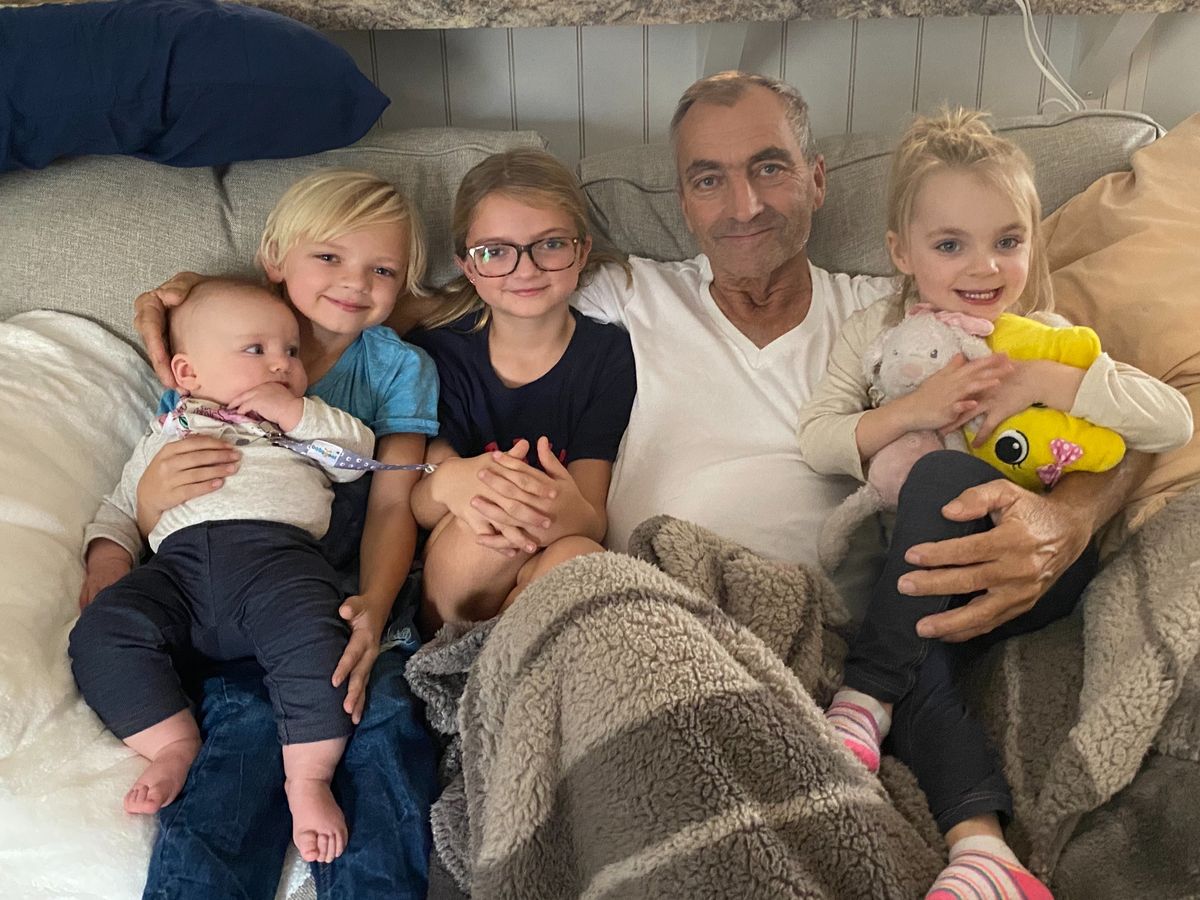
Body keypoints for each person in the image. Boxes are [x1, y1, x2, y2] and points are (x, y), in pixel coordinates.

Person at [134, 72, 1158, 892]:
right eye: (709, 178)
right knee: (583, 593)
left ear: (817, 178)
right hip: (644, 609)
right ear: (681, 199)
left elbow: (1133, 407)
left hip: (828, 641)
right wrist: (188, 318)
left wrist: (1069, 520)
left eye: (769, 167)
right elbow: (387, 303)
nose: (742, 202)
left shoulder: (894, 315)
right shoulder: (622, 293)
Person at [795, 109, 1193, 898]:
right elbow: (818, 436)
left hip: (1034, 569)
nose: (984, 266)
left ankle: (864, 690)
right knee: (926, 673)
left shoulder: (1043, 334)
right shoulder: (876, 331)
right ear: (901, 252)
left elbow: (1172, 421)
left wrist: (1050, 382)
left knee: (943, 478)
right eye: (950, 245)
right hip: (924, 583)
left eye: (1007, 240)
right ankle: (985, 855)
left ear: (1032, 243)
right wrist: (915, 410)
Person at [129, 170, 441, 899]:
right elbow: (165, 482)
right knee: (242, 728)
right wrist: (145, 506)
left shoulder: (398, 368)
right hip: (228, 592)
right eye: (329, 257)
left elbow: (392, 504)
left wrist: (374, 606)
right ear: (275, 259)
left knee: (383, 716)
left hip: (349, 589)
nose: (354, 282)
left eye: (383, 270)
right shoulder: (217, 338)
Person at [71, 278, 380, 863]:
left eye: (292, 351)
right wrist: (108, 559)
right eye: (256, 349)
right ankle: (172, 742)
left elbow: (358, 459)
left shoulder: (297, 428)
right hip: (177, 576)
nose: (281, 364)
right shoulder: (166, 434)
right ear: (187, 374)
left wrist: (298, 415)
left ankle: (308, 777)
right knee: (101, 631)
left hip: (278, 567)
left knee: (322, 643)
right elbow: (119, 508)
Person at [405, 149, 636, 628]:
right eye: (495, 251)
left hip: (553, 554)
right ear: (467, 267)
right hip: (462, 571)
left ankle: (504, 657)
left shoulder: (610, 357)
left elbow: (592, 517)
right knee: (490, 526)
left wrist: (554, 512)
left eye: (550, 244)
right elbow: (422, 503)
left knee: (581, 557)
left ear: (582, 251)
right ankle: (465, 652)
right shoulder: (439, 352)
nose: (525, 270)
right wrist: (450, 480)